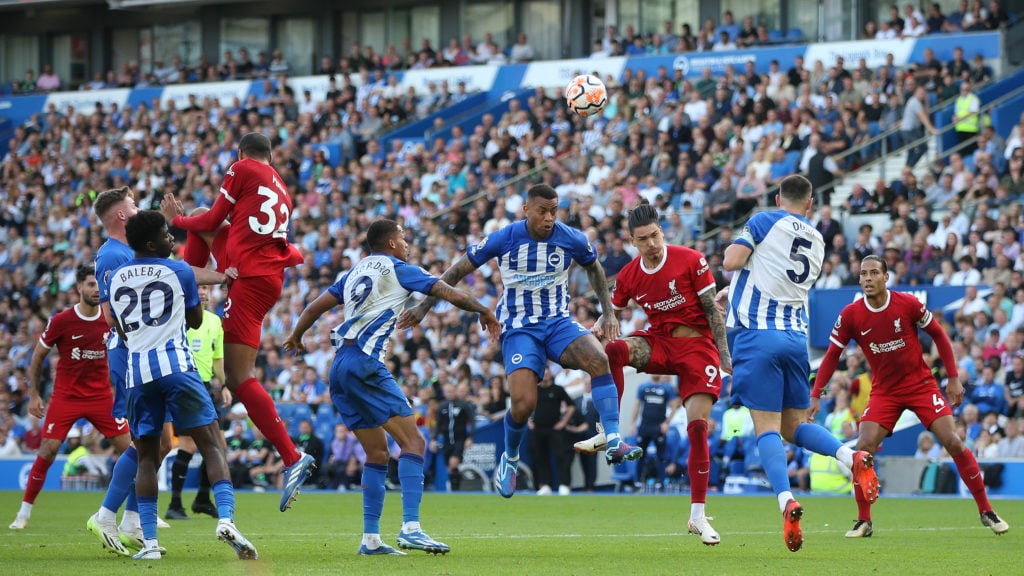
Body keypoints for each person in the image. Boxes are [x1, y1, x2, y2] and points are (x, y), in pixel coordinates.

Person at [399, 184, 642, 500]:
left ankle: (612, 439)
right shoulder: (505, 237)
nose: (549, 218)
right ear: (526, 209)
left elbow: (593, 267)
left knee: (600, 359)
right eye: (543, 211)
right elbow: (457, 270)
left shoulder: (570, 237)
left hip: (557, 323)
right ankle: (510, 459)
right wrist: (423, 306)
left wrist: (607, 312)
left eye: (554, 211)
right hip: (518, 328)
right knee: (525, 404)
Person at [283, 218, 500, 555]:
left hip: (338, 366)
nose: (406, 241)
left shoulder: (355, 272)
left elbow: (314, 307)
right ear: (391, 243)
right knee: (414, 440)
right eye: (402, 236)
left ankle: (370, 540)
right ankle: (411, 527)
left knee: (377, 452)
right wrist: (483, 309)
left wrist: (296, 335)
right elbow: (446, 290)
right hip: (366, 364)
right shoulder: (398, 268)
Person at [715, 175, 878, 553]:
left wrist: (734, 281)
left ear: (777, 198)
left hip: (757, 335)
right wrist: (737, 287)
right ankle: (850, 456)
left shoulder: (763, 220)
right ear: (809, 204)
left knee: (766, 428)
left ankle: (786, 500)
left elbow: (732, 260)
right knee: (794, 426)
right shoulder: (818, 239)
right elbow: (773, 276)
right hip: (794, 339)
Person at [161, 131, 316, 512]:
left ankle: (292, 457)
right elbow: (212, 222)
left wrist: (173, 220)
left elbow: (217, 216)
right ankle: (191, 287)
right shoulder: (280, 184)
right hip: (261, 270)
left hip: (251, 277)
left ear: (242, 153)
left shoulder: (241, 168)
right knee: (198, 218)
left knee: (238, 378)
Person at [808, 255, 1010, 538]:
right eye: (863, 274)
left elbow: (939, 336)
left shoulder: (907, 304)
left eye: (874, 273)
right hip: (885, 392)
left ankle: (986, 510)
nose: (867, 278)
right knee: (863, 446)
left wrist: (952, 378)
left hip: (921, 386)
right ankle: (863, 520)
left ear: (885, 277)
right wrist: (816, 393)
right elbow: (831, 356)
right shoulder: (851, 315)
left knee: (952, 440)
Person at [574, 202, 730, 545]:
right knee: (613, 350)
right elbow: (610, 314)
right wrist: (594, 329)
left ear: (662, 231)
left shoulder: (690, 259)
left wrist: (724, 355)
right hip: (660, 343)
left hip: (697, 347)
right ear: (633, 241)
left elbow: (711, 311)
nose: (652, 243)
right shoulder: (629, 274)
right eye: (643, 239)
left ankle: (698, 517)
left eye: (656, 235)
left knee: (698, 429)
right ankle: (609, 432)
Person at [108, 210, 257, 560]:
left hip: (139, 374)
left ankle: (149, 545)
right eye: (165, 234)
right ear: (150, 243)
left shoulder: (115, 277)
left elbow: (120, 328)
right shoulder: (178, 270)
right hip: (177, 367)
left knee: (147, 457)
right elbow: (194, 319)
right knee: (212, 445)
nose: (171, 239)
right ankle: (226, 519)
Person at [88, 186, 224, 555]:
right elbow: (112, 313)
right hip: (134, 354)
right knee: (145, 443)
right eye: (133, 205)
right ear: (121, 216)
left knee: (162, 443)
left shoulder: (122, 252)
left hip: (147, 354)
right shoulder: (114, 255)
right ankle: (106, 514)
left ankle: (133, 519)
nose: (138, 208)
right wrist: (223, 275)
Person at [8, 265, 132, 531]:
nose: (96, 290)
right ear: (79, 288)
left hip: (101, 397)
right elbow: (39, 355)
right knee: (48, 450)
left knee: (133, 450)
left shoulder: (111, 319)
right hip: (66, 396)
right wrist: (33, 395)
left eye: (98, 285)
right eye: (90, 285)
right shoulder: (62, 320)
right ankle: (24, 512)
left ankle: (138, 513)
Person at [166, 283, 227, 520]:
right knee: (189, 445)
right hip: (185, 384)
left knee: (219, 445)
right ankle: (174, 504)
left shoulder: (214, 321)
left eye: (206, 288)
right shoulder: (178, 318)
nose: (202, 292)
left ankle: (202, 498)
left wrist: (224, 385)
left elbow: (217, 358)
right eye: (198, 287)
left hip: (206, 388)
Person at [529, 375, 576, 496]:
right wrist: (529, 421)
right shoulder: (534, 389)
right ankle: (545, 485)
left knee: (560, 457)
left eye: (547, 371)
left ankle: (564, 485)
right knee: (541, 458)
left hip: (554, 429)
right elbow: (526, 405)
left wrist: (563, 422)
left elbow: (571, 406)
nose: (545, 375)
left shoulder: (558, 389)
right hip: (538, 429)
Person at [434, 383, 476, 491]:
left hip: (459, 438)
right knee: (450, 467)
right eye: (447, 391)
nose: (450, 393)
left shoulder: (463, 404)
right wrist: (434, 439)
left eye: (451, 391)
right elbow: (438, 424)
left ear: (455, 391)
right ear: (444, 393)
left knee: (453, 462)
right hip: (447, 439)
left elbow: (472, 421)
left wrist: (470, 437)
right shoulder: (442, 406)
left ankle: (455, 489)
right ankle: (455, 489)